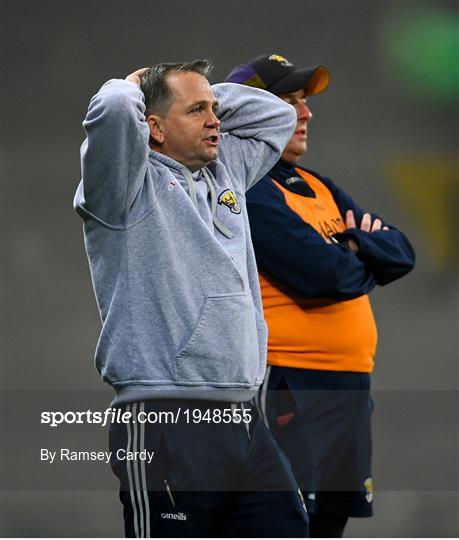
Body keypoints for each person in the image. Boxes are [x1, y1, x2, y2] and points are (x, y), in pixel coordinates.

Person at [74, 60, 309, 537]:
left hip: (244, 415)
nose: (215, 120)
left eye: (215, 109)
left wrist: (195, 91)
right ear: (153, 128)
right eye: (198, 110)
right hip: (166, 418)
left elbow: (275, 117)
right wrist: (137, 85)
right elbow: (115, 108)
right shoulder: (122, 186)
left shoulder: (226, 173)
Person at [225, 53, 416, 537]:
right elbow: (324, 275)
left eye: (304, 102)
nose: (306, 114)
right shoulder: (248, 187)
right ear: (253, 115)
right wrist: (356, 246)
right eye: (289, 102)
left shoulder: (317, 185)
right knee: (287, 524)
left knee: (329, 523)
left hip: (350, 389)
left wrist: (352, 249)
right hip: (293, 385)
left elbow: (402, 251)